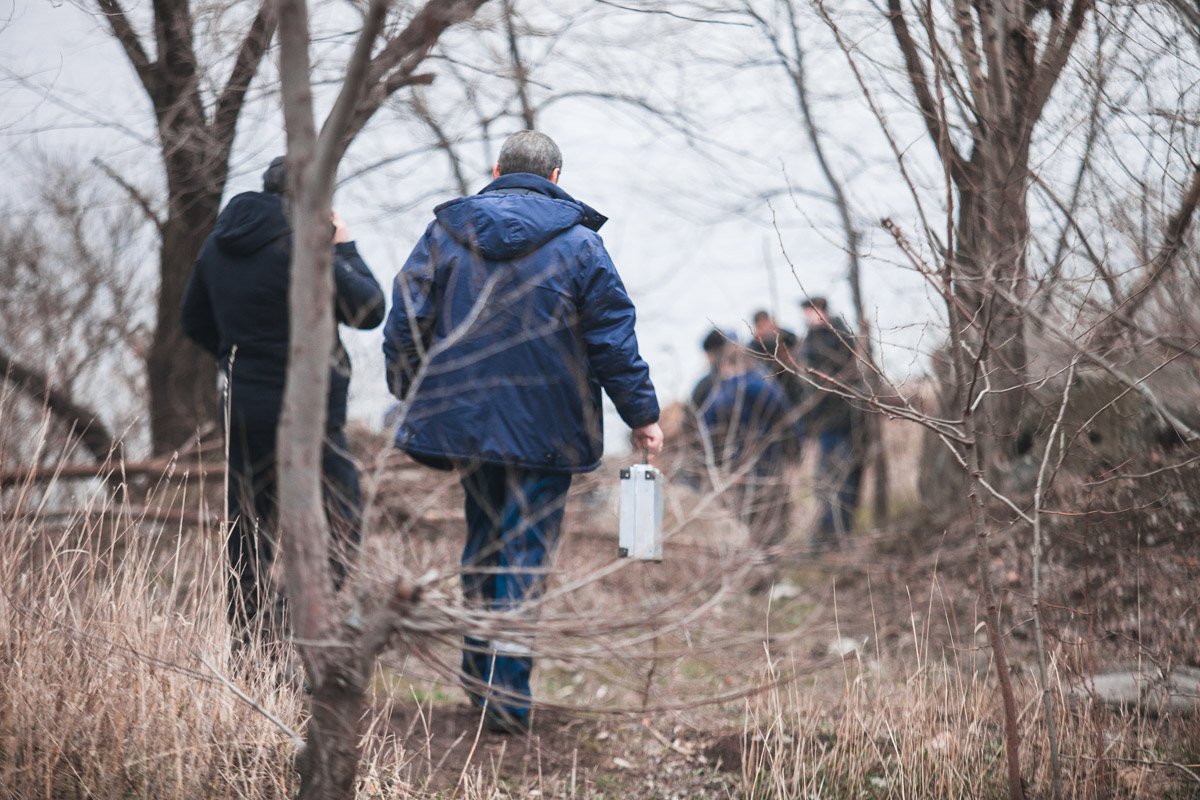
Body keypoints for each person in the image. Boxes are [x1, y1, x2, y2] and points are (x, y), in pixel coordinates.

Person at [382, 131, 663, 733]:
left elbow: (405, 318)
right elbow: (613, 340)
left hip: (466, 426)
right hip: (550, 431)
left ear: (496, 169)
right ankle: (507, 702)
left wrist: (412, 391)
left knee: (482, 548)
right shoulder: (582, 246)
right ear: (557, 177)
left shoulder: (446, 234)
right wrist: (642, 414)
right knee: (525, 557)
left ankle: (480, 686)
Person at [181, 156, 385, 648]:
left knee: (248, 526)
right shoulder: (308, 245)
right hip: (308, 414)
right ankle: (286, 616)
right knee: (343, 513)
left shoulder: (217, 245)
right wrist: (345, 245)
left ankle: (248, 642)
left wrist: (238, 359)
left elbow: (193, 321)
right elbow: (369, 309)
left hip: (246, 406)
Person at [700, 338, 795, 589]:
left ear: (726, 365)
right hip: (769, 464)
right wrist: (791, 451)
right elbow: (787, 418)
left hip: (738, 468)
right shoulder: (765, 386)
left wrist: (717, 462)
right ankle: (770, 575)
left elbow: (707, 427)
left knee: (744, 522)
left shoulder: (722, 393)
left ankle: (750, 576)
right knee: (771, 521)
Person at [798, 297, 863, 551]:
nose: (807, 318)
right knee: (825, 485)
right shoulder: (811, 340)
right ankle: (828, 539)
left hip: (842, 425)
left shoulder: (837, 336)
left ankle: (837, 538)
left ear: (821, 311)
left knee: (840, 484)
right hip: (826, 427)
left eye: (810, 312)